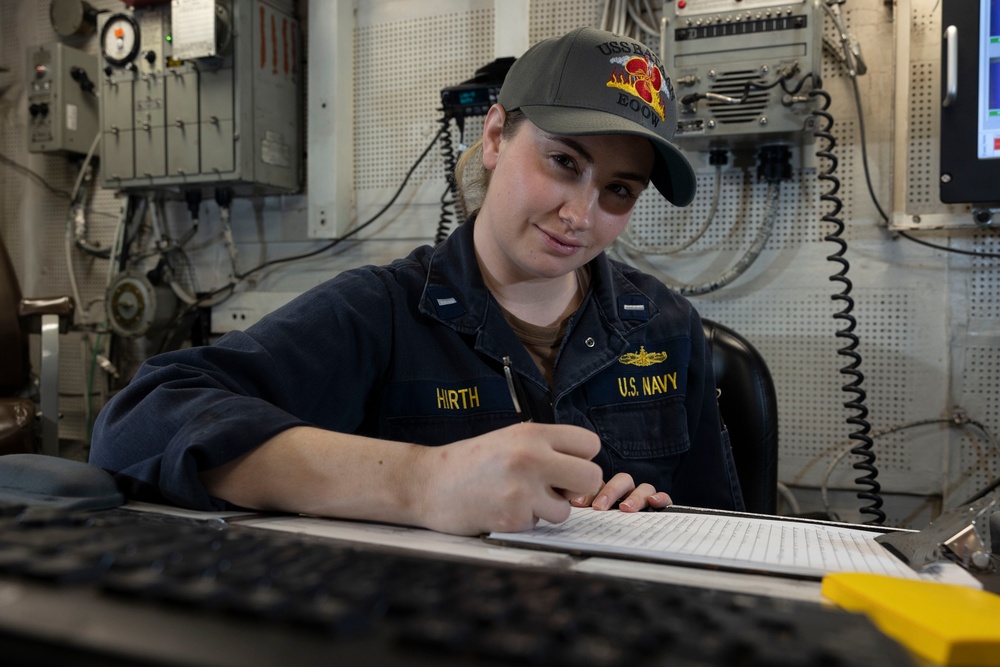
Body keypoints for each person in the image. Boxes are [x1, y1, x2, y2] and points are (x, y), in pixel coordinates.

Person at [90, 26, 744, 536]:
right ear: (494, 135)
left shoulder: (666, 326)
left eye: (619, 190)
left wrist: (653, 515)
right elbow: (138, 423)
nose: (580, 214)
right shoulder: (381, 313)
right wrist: (421, 482)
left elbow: (725, 533)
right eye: (563, 161)